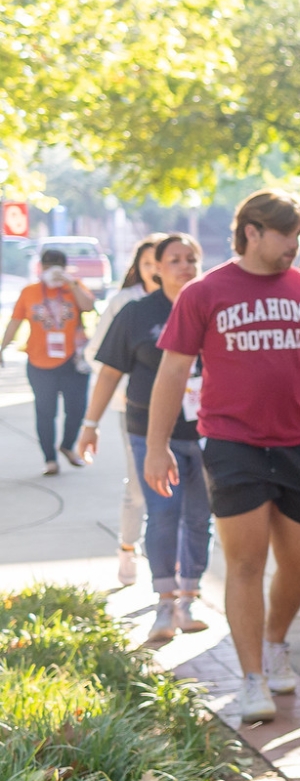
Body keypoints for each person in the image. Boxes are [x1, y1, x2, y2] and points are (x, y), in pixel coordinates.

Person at [148, 189, 300, 725]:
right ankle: (251, 679)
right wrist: (156, 446)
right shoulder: (205, 292)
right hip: (233, 443)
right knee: (245, 563)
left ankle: (275, 643)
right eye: (288, 234)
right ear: (253, 232)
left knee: (299, 565)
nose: (297, 244)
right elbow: (173, 371)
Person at [79, 233, 212, 644]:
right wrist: (90, 424)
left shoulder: (212, 309)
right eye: (175, 259)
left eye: (192, 258)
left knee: (199, 517)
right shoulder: (137, 313)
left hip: (207, 431)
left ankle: (190, 596)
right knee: (163, 513)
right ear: (155, 267)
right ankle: (165, 603)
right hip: (150, 433)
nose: (185, 266)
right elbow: (110, 373)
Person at [88, 234, 165, 584]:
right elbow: (99, 356)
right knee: (138, 486)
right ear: (140, 267)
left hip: (185, 414)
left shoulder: (185, 301)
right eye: (148, 264)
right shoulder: (126, 304)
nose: (155, 270)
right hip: (133, 409)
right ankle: (128, 548)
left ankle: (167, 566)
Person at [4, 247, 97, 475]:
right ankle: (50, 459)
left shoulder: (73, 288)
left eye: (58, 266)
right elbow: (15, 321)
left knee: (76, 410)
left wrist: (71, 283)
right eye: (48, 266)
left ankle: (67, 445)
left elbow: (88, 306)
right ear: (41, 267)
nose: (53, 271)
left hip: (73, 361)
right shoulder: (30, 291)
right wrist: (3, 346)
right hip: (39, 361)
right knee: (45, 412)